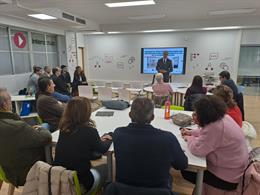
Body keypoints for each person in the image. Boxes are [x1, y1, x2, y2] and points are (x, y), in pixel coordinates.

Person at [113, 97, 188, 191]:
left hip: (123, 191)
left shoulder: (118, 134)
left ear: (130, 115)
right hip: (158, 191)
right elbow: (182, 164)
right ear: (152, 117)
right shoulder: (168, 138)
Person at [181, 96, 248, 191]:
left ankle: (201, 190)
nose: (194, 115)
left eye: (196, 113)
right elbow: (206, 131)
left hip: (227, 178)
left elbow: (197, 149)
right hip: (235, 169)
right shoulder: (222, 117)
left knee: (186, 170)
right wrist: (191, 132)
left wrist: (189, 138)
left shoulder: (215, 128)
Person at [54, 97, 112, 193]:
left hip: (60, 180)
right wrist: (110, 137)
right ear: (86, 112)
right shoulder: (89, 131)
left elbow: (79, 145)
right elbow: (103, 149)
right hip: (80, 184)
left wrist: (97, 140)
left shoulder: (64, 128)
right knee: (106, 168)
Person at [0, 88, 51, 186]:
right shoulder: (17, 127)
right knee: (45, 127)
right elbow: (47, 137)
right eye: (10, 100)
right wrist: (40, 129)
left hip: (6, 171)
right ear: (5, 105)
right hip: (26, 173)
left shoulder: (14, 126)